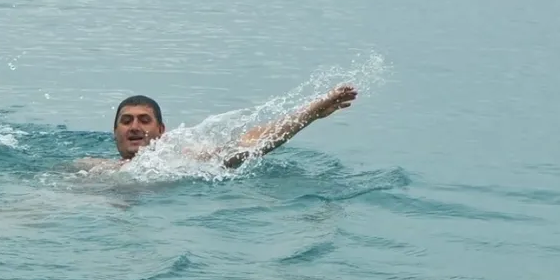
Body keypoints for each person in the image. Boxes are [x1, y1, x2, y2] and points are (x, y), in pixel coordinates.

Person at [75, 85, 359, 172]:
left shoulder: (180, 158)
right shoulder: (91, 168)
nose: (135, 127)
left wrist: (309, 114)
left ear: (162, 131)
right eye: (126, 121)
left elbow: (250, 143)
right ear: (114, 132)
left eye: (144, 120)